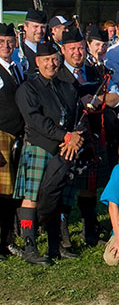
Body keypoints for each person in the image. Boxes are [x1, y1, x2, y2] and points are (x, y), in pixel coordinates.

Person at [14, 41, 84, 265]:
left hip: (64, 149)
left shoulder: (66, 86)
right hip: (39, 146)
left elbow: (77, 116)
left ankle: (56, 246)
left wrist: (74, 138)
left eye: (54, 59)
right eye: (46, 60)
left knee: (59, 197)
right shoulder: (28, 88)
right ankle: (30, 246)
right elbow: (35, 120)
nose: (51, 64)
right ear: (37, 62)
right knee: (31, 198)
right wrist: (65, 136)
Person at [56, 27, 119, 247]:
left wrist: (96, 98)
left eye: (81, 48)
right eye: (72, 48)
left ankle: (89, 231)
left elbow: (116, 98)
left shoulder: (94, 71)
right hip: (67, 137)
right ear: (63, 50)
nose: (77, 52)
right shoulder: (57, 74)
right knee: (64, 186)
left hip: (93, 136)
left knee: (89, 187)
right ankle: (62, 235)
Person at [0, 23, 25, 259]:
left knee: (11, 194)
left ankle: (7, 240)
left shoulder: (16, 67)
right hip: (0, 136)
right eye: (1, 42)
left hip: (16, 137)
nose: (6, 46)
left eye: (9, 41)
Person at [20, 8, 48, 78]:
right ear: (25, 27)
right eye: (35, 26)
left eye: (43, 27)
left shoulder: (48, 51)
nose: (39, 31)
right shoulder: (20, 53)